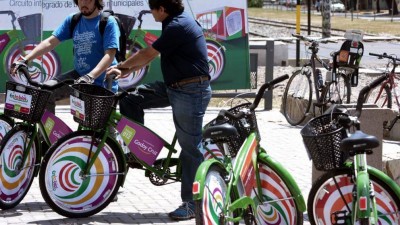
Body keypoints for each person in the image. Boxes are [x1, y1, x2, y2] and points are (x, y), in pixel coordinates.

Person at [106, 0, 211, 220]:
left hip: (191, 90)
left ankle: (192, 204)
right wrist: (126, 71)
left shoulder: (178, 25)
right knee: (130, 99)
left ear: (162, 9)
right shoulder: (172, 21)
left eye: (152, 8)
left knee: (190, 148)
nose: (151, 12)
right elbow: (151, 56)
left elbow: (148, 54)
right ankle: (138, 150)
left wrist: (122, 67)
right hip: (174, 86)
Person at [10, 0, 120, 112]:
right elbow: (50, 42)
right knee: (46, 92)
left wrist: (90, 76)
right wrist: (25, 59)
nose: (83, 3)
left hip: (103, 82)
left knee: (101, 127)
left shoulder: (108, 22)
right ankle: (50, 129)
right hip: (79, 77)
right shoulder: (73, 20)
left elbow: (109, 55)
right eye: (80, 0)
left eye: (88, 0)